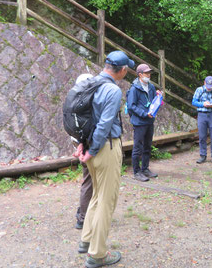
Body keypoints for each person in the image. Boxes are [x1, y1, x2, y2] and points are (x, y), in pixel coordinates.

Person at [75, 50, 133, 268]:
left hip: (90, 147)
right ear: (123, 70)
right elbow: (104, 124)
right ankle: (97, 255)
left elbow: (82, 119)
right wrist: (93, 149)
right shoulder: (112, 90)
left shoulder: (90, 83)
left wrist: (83, 146)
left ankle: (86, 240)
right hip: (105, 148)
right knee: (106, 201)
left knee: (97, 196)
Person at [126, 63, 162, 182]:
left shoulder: (151, 87)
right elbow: (131, 106)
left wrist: (158, 98)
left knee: (147, 146)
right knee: (137, 147)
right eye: (146, 73)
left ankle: (145, 168)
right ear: (140, 75)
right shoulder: (134, 88)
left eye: (149, 73)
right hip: (139, 121)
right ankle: (136, 172)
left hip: (149, 121)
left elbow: (152, 102)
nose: (149, 75)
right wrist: (143, 114)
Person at [72, 73, 94, 230]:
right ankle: (84, 216)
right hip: (92, 145)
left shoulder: (74, 101)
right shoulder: (91, 101)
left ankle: (83, 213)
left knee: (88, 180)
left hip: (81, 143)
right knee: (92, 181)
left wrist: (79, 143)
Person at [192, 76, 212, 164]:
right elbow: (194, 102)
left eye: (211, 86)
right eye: (208, 86)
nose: (209, 88)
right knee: (202, 136)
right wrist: (203, 104)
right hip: (202, 115)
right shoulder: (199, 90)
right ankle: (203, 155)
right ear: (204, 83)